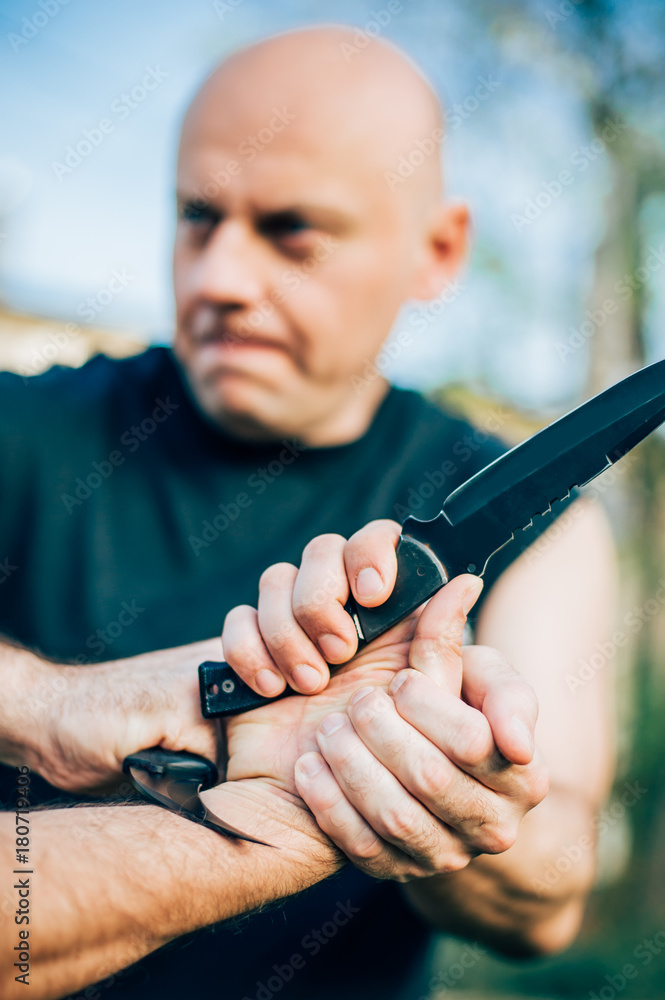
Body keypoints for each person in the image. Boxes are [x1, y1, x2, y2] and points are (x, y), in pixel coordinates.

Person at [0, 24, 616, 1000]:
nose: (220, 279)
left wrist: (460, 794)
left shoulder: (536, 525)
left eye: (292, 230)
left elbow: (548, 891)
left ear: (436, 249)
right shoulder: (23, 429)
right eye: (198, 219)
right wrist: (51, 706)